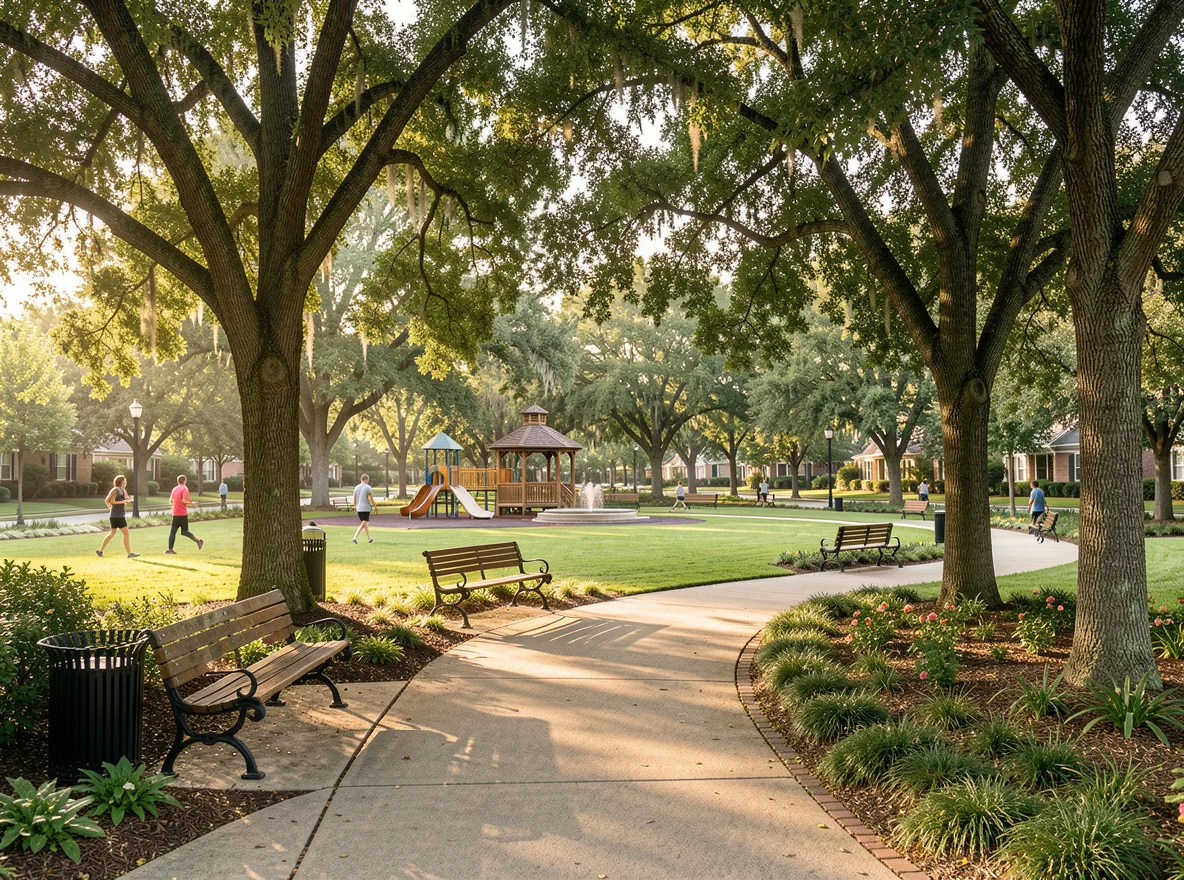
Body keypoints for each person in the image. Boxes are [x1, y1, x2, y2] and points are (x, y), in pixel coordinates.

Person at [96, 475, 139, 558]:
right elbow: (111, 501)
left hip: (116, 515)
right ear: (120, 481)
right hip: (118, 516)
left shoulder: (123, 490)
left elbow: (127, 498)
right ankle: (129, 554)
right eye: (124, 480)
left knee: (112, 533)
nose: (125, 481)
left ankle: (100, 551)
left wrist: (130, 500)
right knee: (126, 533)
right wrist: (120, 503)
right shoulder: (115, 490)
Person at [166, 475, 203, 554]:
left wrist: (176, 504)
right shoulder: (184, 488)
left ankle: (170, 549)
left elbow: (170, 501)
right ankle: (198, 541)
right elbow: (184, 500)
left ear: (178, 481)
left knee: (173, 532)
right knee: (185, 531)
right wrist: (191, 503)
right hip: (182, 513)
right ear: (185, 481)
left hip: (175, 513)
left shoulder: (174, 489)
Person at [352, 474, 375, 544]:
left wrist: (355, 505)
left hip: (359, 508)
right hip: (365, 508)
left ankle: (369, 538)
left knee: (365, 523)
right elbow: (371, 498)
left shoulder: (356, 487)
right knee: (364, 523)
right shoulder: (368, 487)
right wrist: (375, 506)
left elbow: (354, 497)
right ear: (366, 480)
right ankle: (354, 537)